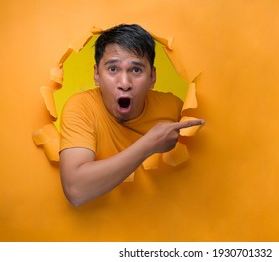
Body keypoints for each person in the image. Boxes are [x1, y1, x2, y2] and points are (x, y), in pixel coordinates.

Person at [59, 24, 204, 206]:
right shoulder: (81, 108)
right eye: (113, 69)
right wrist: (149, 144)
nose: (125, 83)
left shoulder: (173, 107)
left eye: (136, 70)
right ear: (97, 74)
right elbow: (76, 190)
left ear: (152, 77)